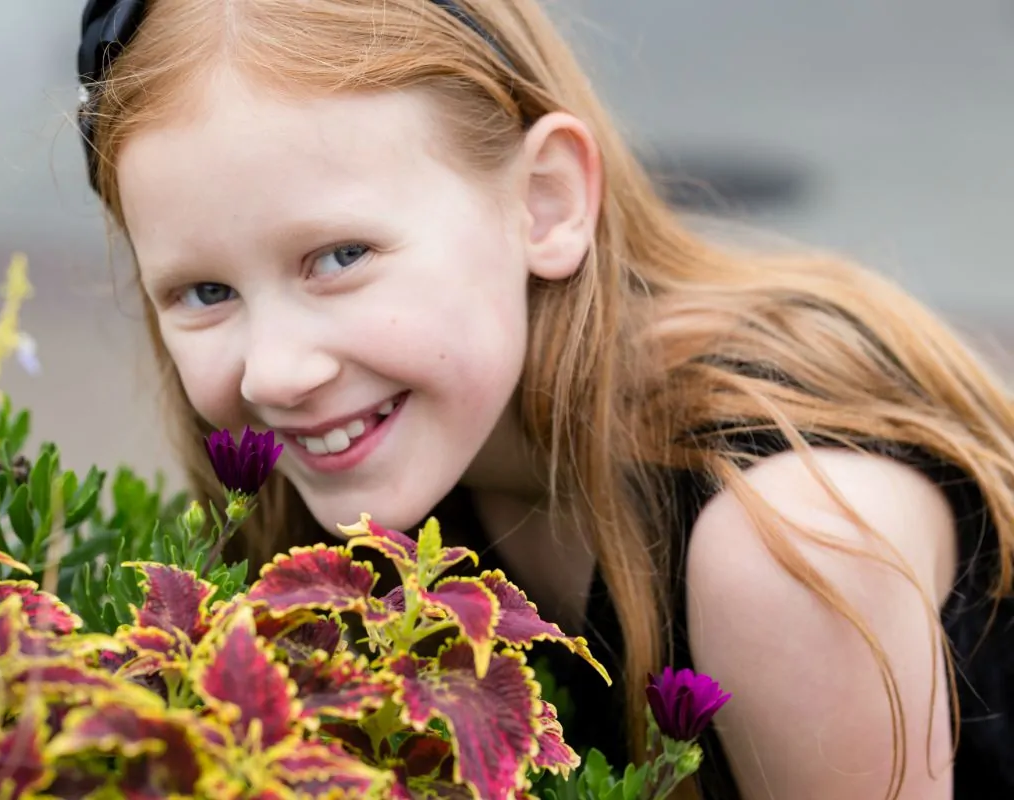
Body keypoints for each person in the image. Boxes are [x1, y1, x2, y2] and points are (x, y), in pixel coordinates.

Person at [74, 1, 1014, 797]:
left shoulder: (784, 545)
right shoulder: (394, 462)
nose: (273, 372)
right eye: (205, 293)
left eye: (340, 258)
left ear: (546, 204)